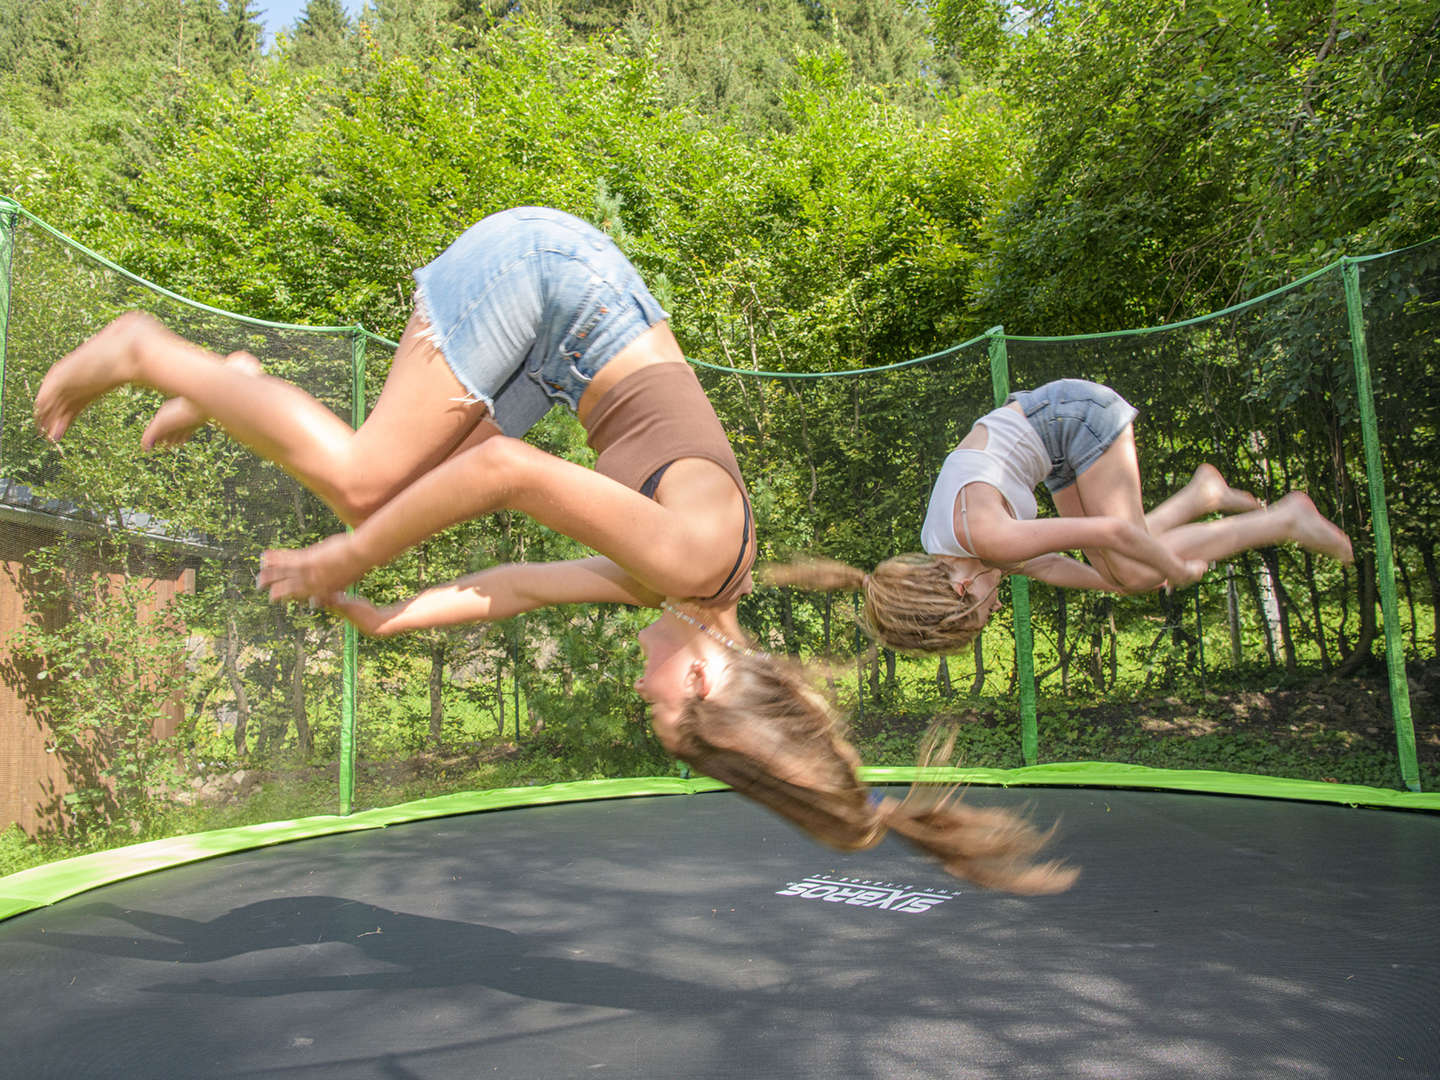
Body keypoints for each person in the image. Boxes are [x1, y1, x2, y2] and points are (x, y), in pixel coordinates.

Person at [34, 206, 1072, 894]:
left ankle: (237, 384)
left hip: (561, 336)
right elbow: (506, 478)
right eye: (665, 708)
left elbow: (511, 591)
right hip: (552, 283)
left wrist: (388, 615)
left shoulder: (688, 589)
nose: (644, 695)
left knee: (379, 474)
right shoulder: (690, 559)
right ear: (711, 676)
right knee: (363, 489)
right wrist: (347, 560)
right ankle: (146, 349)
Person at [769, 377, 1354, 654]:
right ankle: (1203, 493)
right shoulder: (957, 552)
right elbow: (1053, 567)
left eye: (981, 616)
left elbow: (1118, 532)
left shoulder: (986, 540)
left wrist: (1173, 568)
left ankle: (1285, 518)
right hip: (1055, 441)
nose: (995, 612)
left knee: (1140, 568)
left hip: (1076, 420)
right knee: (1128, 575)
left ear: (963, 590)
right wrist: (1125, 581)